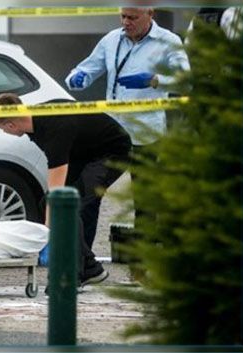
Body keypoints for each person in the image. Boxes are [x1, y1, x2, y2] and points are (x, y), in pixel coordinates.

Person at [0, 92, 132, 286]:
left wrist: (49, 230)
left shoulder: (53, 129)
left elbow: (56, 190)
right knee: (48, 204)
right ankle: (89, 268)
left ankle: (69, 277)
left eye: (0, 128)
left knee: (69, 207)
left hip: (112, 152)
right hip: (83, 152)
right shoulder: (34, 124)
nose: (2, 132)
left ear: (11, 125)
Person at [64, 7, 190, 220]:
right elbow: (85, 69)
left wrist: (154, 80)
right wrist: (77, 78)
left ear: (150, 14)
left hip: (146, 134)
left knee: (145, 200)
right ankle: (84, 253)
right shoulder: (111, 40)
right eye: (123, 16)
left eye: (132, 17)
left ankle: (145, 249)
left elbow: (186, 80)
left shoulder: (169, 41)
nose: (126, 22)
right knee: (90, 194)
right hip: (111, 133)